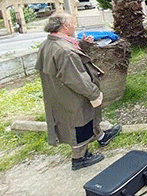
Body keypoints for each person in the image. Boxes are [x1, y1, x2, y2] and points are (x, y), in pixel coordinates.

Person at [35, 13, 121, 171]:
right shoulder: (64, 51)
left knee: (89, 116)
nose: (75, 26)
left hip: (59, 92)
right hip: (71, 95)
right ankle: (79, 158)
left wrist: (82, 46)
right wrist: (95, 94)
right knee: (79, 123)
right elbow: (77, 80)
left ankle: (101, 137)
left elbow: (68, 58)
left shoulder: (50, 43)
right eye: (73, 23)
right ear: (65, 26)